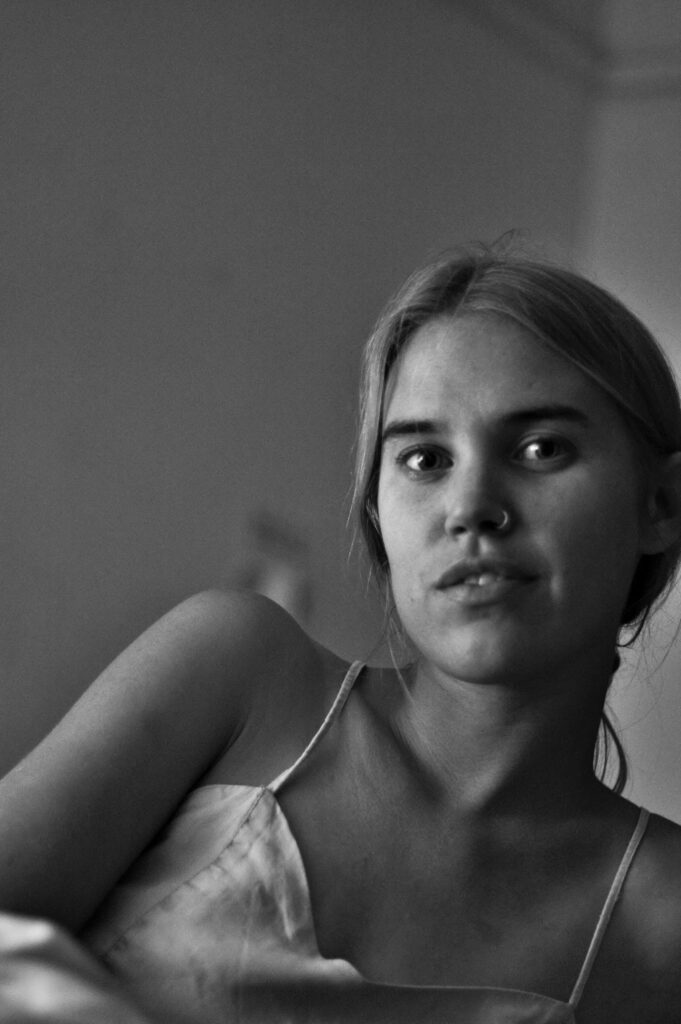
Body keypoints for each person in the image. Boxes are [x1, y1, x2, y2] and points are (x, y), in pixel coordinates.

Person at [1, 245, 681, 1023]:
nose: (470, 506)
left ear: (660, 504)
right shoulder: (242, 676)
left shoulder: (663, 919)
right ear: (376, 513)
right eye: (424, 458)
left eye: (540, 449)